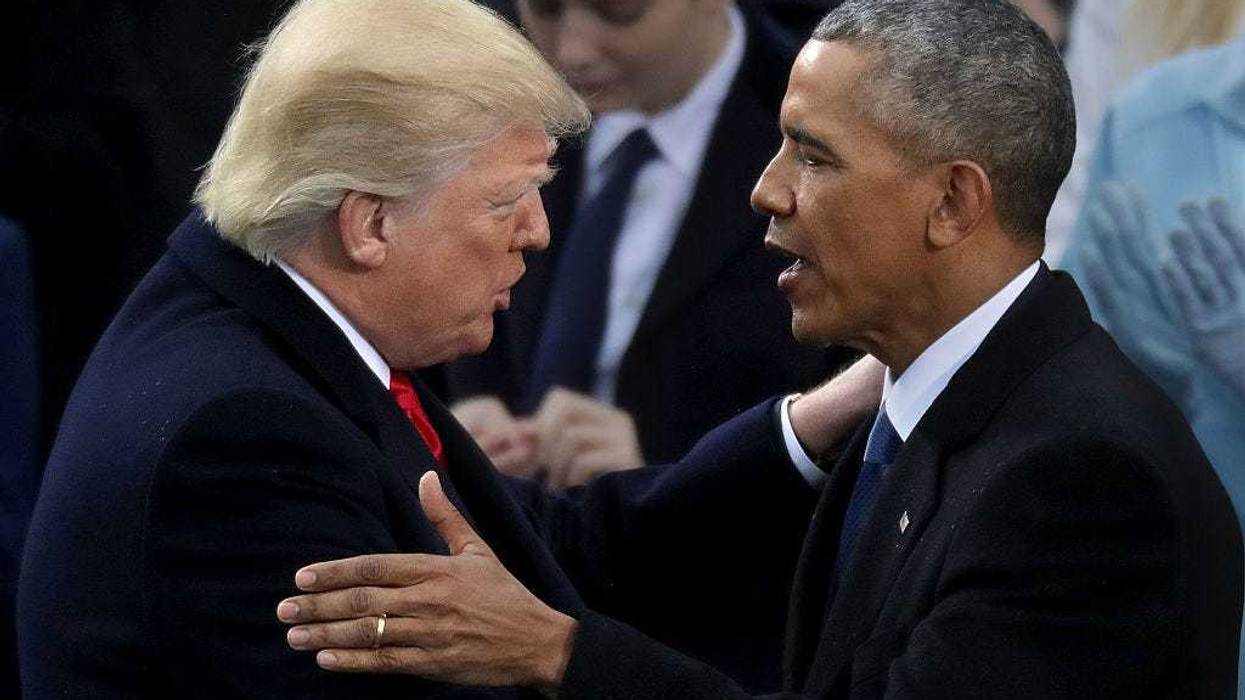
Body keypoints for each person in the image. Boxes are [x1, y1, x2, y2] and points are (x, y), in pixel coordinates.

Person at [277, 1, 1243, 697]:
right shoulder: (924, 400)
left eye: (813, 157)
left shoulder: (1077, 477)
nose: (765, 191)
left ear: (953, 203)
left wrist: (561, 655)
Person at [16, 0, 881, 696]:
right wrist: (564, 656)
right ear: (371, 223)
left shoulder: (271, 318)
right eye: (507, 202)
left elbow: (552, 543)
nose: (539, 236)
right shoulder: (245, 441)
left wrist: (822, 416)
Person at [444, 0, 852, 487]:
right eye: (545, 9)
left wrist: (667, 478)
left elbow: (850, 427)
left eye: (619, 12)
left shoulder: (838, 132)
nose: (573, 51)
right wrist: (441, 422)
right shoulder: (481, 91)